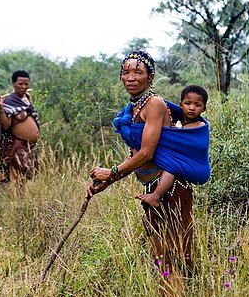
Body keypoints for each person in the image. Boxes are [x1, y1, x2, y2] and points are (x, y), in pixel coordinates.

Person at [88, 51, 210, 284]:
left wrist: (111, 173)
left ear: (150, 77)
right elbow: (138, 155)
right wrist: (107, 181)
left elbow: (146, 153)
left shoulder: (153, 104)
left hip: (171, 188)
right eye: (126, 72)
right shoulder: (132, 108)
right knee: (161, 257)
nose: (131, 77)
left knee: (176, 255)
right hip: (151, 187)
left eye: (138, 72)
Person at [135, 85, 208, 207]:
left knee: (171, 167)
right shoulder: (180, 123)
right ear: (180, 104)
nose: (191, 107)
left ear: (204, 109)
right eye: (188, 103)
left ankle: (156, 196)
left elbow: (186, 144)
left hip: (198, 168)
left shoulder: (199, 125)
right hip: (184, 161)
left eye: (197, 105)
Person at [0, 70, 40, 192]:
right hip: (17, 146)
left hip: (29, 146)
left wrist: (29, 102)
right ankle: (13, 207)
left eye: (26, 84)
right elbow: (6, 125)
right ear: (13, 83)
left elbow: (30, 114)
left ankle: (21, 207)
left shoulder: (26, 100)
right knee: (16, 180)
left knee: (23, 181)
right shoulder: (9, 101)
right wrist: (1, 108)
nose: (24, 87)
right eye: (20, 84)